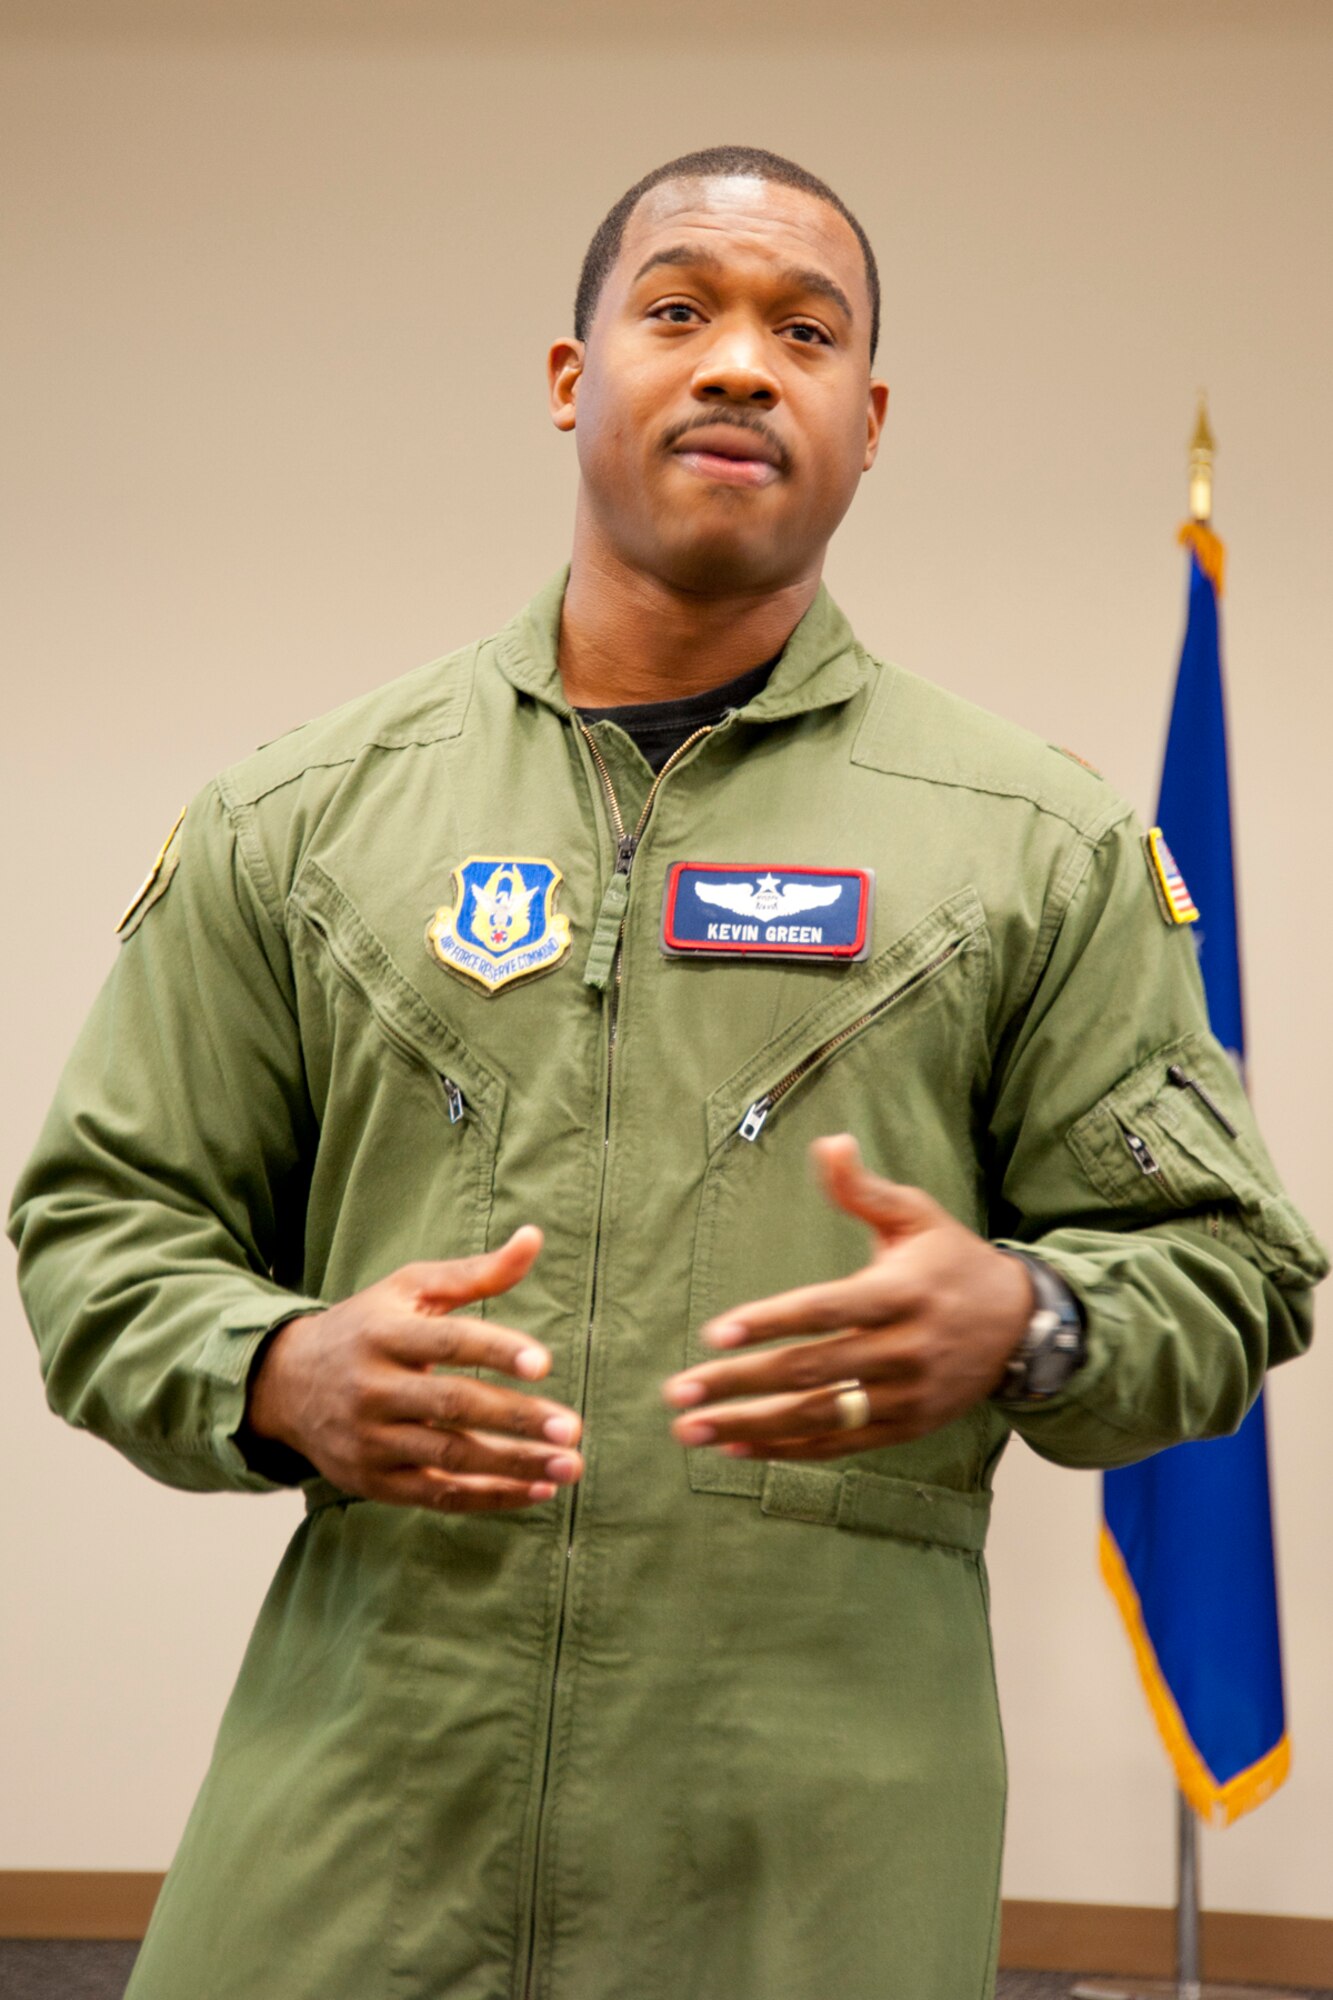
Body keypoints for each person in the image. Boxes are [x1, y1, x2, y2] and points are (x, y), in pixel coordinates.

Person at [10, 146, 1324, 2000]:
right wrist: (276, 1366)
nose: (735, 365)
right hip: (359, 1837)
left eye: (802, 331)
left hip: (810, 1864)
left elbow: (1230, 1263)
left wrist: (1028, 1318)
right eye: (679, 310)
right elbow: (100, 1225)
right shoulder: (303, 818)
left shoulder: (1041, 848)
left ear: (866, 426)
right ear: (571, 379)